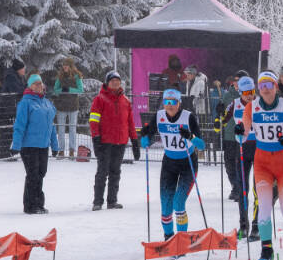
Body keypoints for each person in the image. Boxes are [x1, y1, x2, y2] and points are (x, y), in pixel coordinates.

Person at [238, 71, 283, 260]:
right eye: (262, 86)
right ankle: (266, 250)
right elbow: (242, 136)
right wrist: (238, 132)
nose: (265, 89)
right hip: (263, 163)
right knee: (264, 207)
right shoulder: (252, 107)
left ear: (275, 86)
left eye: (269, 85)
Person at [139, 89, 205, 238]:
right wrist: (145, 139)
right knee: (166, 207)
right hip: (169, 164)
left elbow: (201, 145)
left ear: (179, 103)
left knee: (178, 203)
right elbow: (148, 136)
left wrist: (190, 136)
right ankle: (169, 238)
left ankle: (181, 240)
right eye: (167, 102)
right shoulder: (159, 116)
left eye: (173, 102)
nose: (170, 105)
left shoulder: (188, 117)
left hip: (188, 164)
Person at [88, 70, 139, 210]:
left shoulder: (126, 101)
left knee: (115, 172)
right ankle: (97, 202)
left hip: (120, 142)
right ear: (107, 83)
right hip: (105, 141)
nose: (115, 83)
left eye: (118, 80)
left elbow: (130, 123)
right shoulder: (99, 99)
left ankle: (112, 201)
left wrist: (135, 141)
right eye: (112, 81)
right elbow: (93, 120)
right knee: (102, 172)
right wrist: (96, 137)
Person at [10, 74, 60, 214]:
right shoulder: (25, 103)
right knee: (33, 175)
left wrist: (55, 145)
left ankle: (39, 203)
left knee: (41, 173)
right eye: (35, 84)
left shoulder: (47, 103)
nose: (39, 86)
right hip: (29, 145)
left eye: (40, 83)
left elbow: (51, 126)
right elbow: (20, 125)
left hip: (43, 145)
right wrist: (16, 145)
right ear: (30, 86)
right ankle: (30, 205)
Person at [230, 75, 259, 237]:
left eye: (252, 91)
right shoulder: (234, 104)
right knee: (243, 190)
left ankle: (256, 225)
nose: (249, 95)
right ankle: (244, 225)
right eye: (246, 92)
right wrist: (219, 117)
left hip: (259, 148)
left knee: (257, 189)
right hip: (241, 149)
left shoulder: (259, 104)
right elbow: (220, 122)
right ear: (240, 92)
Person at [52, 57, 84, 158]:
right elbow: (55, 90)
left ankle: (71, 150)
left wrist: (69, 89)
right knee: (61, 129)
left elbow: (80, 90)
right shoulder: (60, 77)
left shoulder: (77, 76)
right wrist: (61, 90)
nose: (65, 67)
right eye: (64, 65)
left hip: (73, 106)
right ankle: (61, 150)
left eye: (67, 65)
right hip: (61, 106)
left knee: (72, 129)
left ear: (71, 66)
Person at [0, 59, 27, 159]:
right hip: (6, 107)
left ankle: (5, 150)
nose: (24, 71)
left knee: (10, 129)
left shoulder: (19, 77)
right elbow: (17, 90)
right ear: (18, 69)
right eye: (23, 69)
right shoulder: (11, 77)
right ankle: (3, 151)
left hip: (12, 106)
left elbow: (22, 88)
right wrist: (27, 90)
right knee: (5, 129)